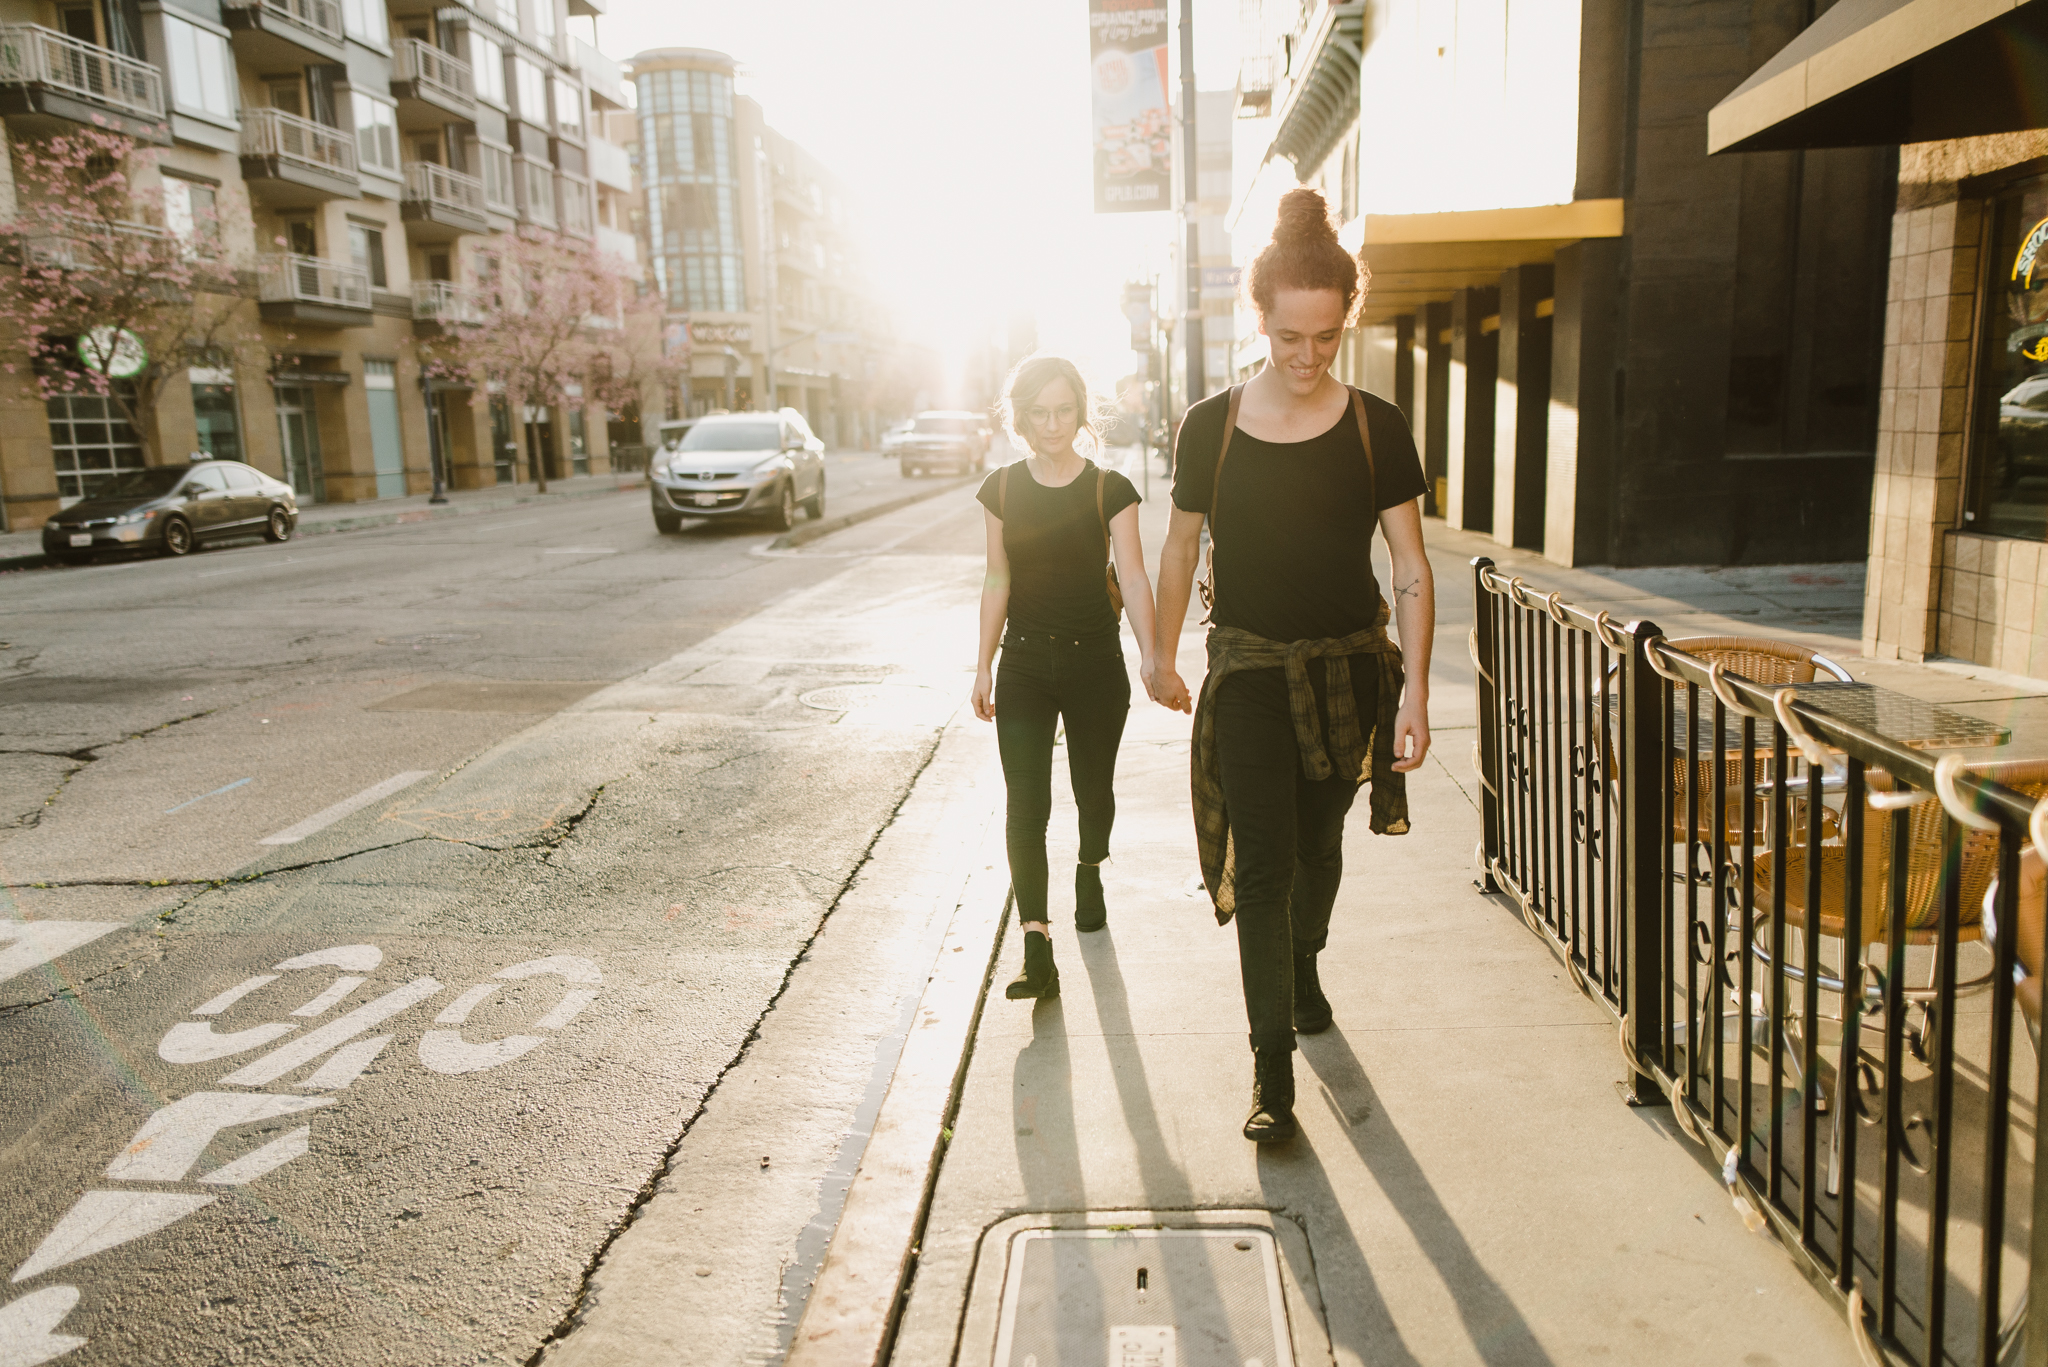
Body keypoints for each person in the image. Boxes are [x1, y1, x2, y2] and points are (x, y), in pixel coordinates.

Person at [1146, 187, 1434, 1142]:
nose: (1307, 358)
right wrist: (1158, 645)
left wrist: (1418, 693)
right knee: (1262, 864)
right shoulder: (1210, 426)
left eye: (1325, 338)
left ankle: (1305, 963)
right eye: (1288, 337)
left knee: (1318, 850)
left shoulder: (1374, 426)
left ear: (1345, 319)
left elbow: (1410, 567)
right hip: (1251, 673)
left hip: (1350, 672)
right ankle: (1272, 1073)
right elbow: (1181, 545)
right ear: (1258, 319)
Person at [973, 355, 1158, 1000]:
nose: (1053, 425)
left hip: (1093, 664)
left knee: (1093, 792)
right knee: (1027, 805)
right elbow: (997, 578)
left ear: (1081, 411)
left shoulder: (1111, 488)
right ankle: (1035, 946)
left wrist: (1154, 656)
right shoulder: (1000, 489)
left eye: (1064, 410)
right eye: (1040, 412)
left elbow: (1133, 577)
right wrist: (983, 665)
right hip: (1023, 661)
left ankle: (1089, 867)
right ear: (1021, 416)